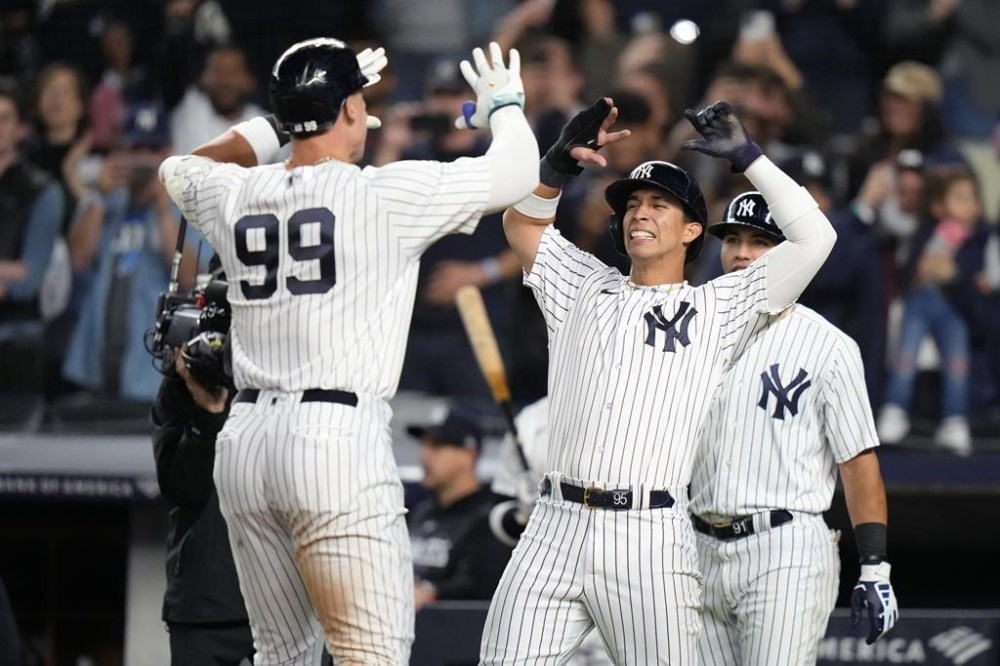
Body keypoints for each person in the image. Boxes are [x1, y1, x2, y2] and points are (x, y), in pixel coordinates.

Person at [158, 38, 538, 664]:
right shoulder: (383, 194)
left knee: (283, 654)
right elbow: (519, 170)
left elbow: (183, 165)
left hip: (247, 441)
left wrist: (293, 115)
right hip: (333, 440)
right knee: (374, 654)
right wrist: (503, 106)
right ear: (352, 110)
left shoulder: (234, 194)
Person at [479, 96, 836, 664]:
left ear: (695, 229)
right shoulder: (582, 284)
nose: (641, 212)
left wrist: (750, 159)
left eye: (661, 204)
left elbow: (816, 239)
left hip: (648, 535)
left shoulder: (720, 306)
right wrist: (555, 165)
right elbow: (521, 223)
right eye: (633, 204)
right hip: (552, 525)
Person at [689, 192, 899, 664]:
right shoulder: (693, 329)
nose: (742, 253)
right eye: (734, 239)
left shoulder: (829, 346)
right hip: (696, 547)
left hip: (784, 548)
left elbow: (858, 461)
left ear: (793, 253)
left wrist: (874, 567)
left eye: (761, 242)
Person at [150, 325, 255, 665]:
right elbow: (183, 487)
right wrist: (209, 415)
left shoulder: (289, 370)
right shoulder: (181, 382)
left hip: (285, 593)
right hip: (206, 602)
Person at [877, 166, 989, 455]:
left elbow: (971, 276)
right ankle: (894, 410)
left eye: (973, 197)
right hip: (920, 300)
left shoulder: (978, 239)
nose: (970, 204)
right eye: (960, 198)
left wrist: (953, 274)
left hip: (953, 307)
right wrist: (922, 269)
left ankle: (955, 420)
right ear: (939, 206)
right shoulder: (927, 230)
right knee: (905, 355)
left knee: (957, 364)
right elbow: (911, 267)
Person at [406, 408, 511, 610]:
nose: (424, 455)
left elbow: (479, 585)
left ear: (468, 455)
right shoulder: (421, 512)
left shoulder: (489, 518)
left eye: (437, 446)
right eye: (424, 445)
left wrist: (432, 591)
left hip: (456, 632)